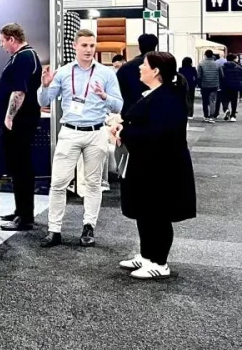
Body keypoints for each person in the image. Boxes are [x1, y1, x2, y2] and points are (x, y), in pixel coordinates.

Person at [113, 52, 196, 279]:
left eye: (145, 65)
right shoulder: (156, 94)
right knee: (145, 211)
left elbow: (159, 133)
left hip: (162, 166)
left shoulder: (168, 98)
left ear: (156, 71)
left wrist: (125, 133)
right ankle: (147, 255)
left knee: (158, 214)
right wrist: (123, 127)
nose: (140, 68)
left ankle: (160, 262)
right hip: (146, 163)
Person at [38, 29, 123, 248]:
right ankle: (54, 230)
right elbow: (44, 101)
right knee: (58, 183)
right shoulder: (64, 72)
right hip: (70, 131)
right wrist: (45, 86)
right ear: (75, 46)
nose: (88, 50)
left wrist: (104, 96)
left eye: (92, 45)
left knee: (93, 184)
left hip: (96, 132)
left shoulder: (106, 73)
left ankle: (89, 227)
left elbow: (118, 105)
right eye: (84, 45)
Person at [0, 23, 42, 232]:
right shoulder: (23, 56)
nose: (2, 45)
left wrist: (9, 118)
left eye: (2, 41)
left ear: (11, 39)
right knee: (18, 168)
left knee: (21, 168)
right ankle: (21, 211)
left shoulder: (24, 57)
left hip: (20, 122)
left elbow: (19, 92)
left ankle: (24, 217)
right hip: (20, 121)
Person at [116, 33, 159, 119]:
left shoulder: (125, 68)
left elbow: (118, 91)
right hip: (157, 113)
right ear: (155, 46)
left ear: (139, 47)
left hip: (130, 114)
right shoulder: (163, 67)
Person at [197, 51, 221, 123]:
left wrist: (199, 84)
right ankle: (212, 117)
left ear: (205, 55)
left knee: (205, 101)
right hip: (214, 85)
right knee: (212, 101)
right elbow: (222, 75)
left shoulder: (201, 63)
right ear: (212, 55)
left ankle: (206, 116)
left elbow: (199, 76)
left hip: (204, 85)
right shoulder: (217, 64)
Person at [220, 53, 242, 121]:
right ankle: (233, 116)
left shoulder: (223, 67)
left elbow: (221, 76)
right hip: (235, 85)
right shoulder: (239, 67)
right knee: (234, 101)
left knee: (224, 99)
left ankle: (226, 109)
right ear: (234, 59)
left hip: (225, 85)